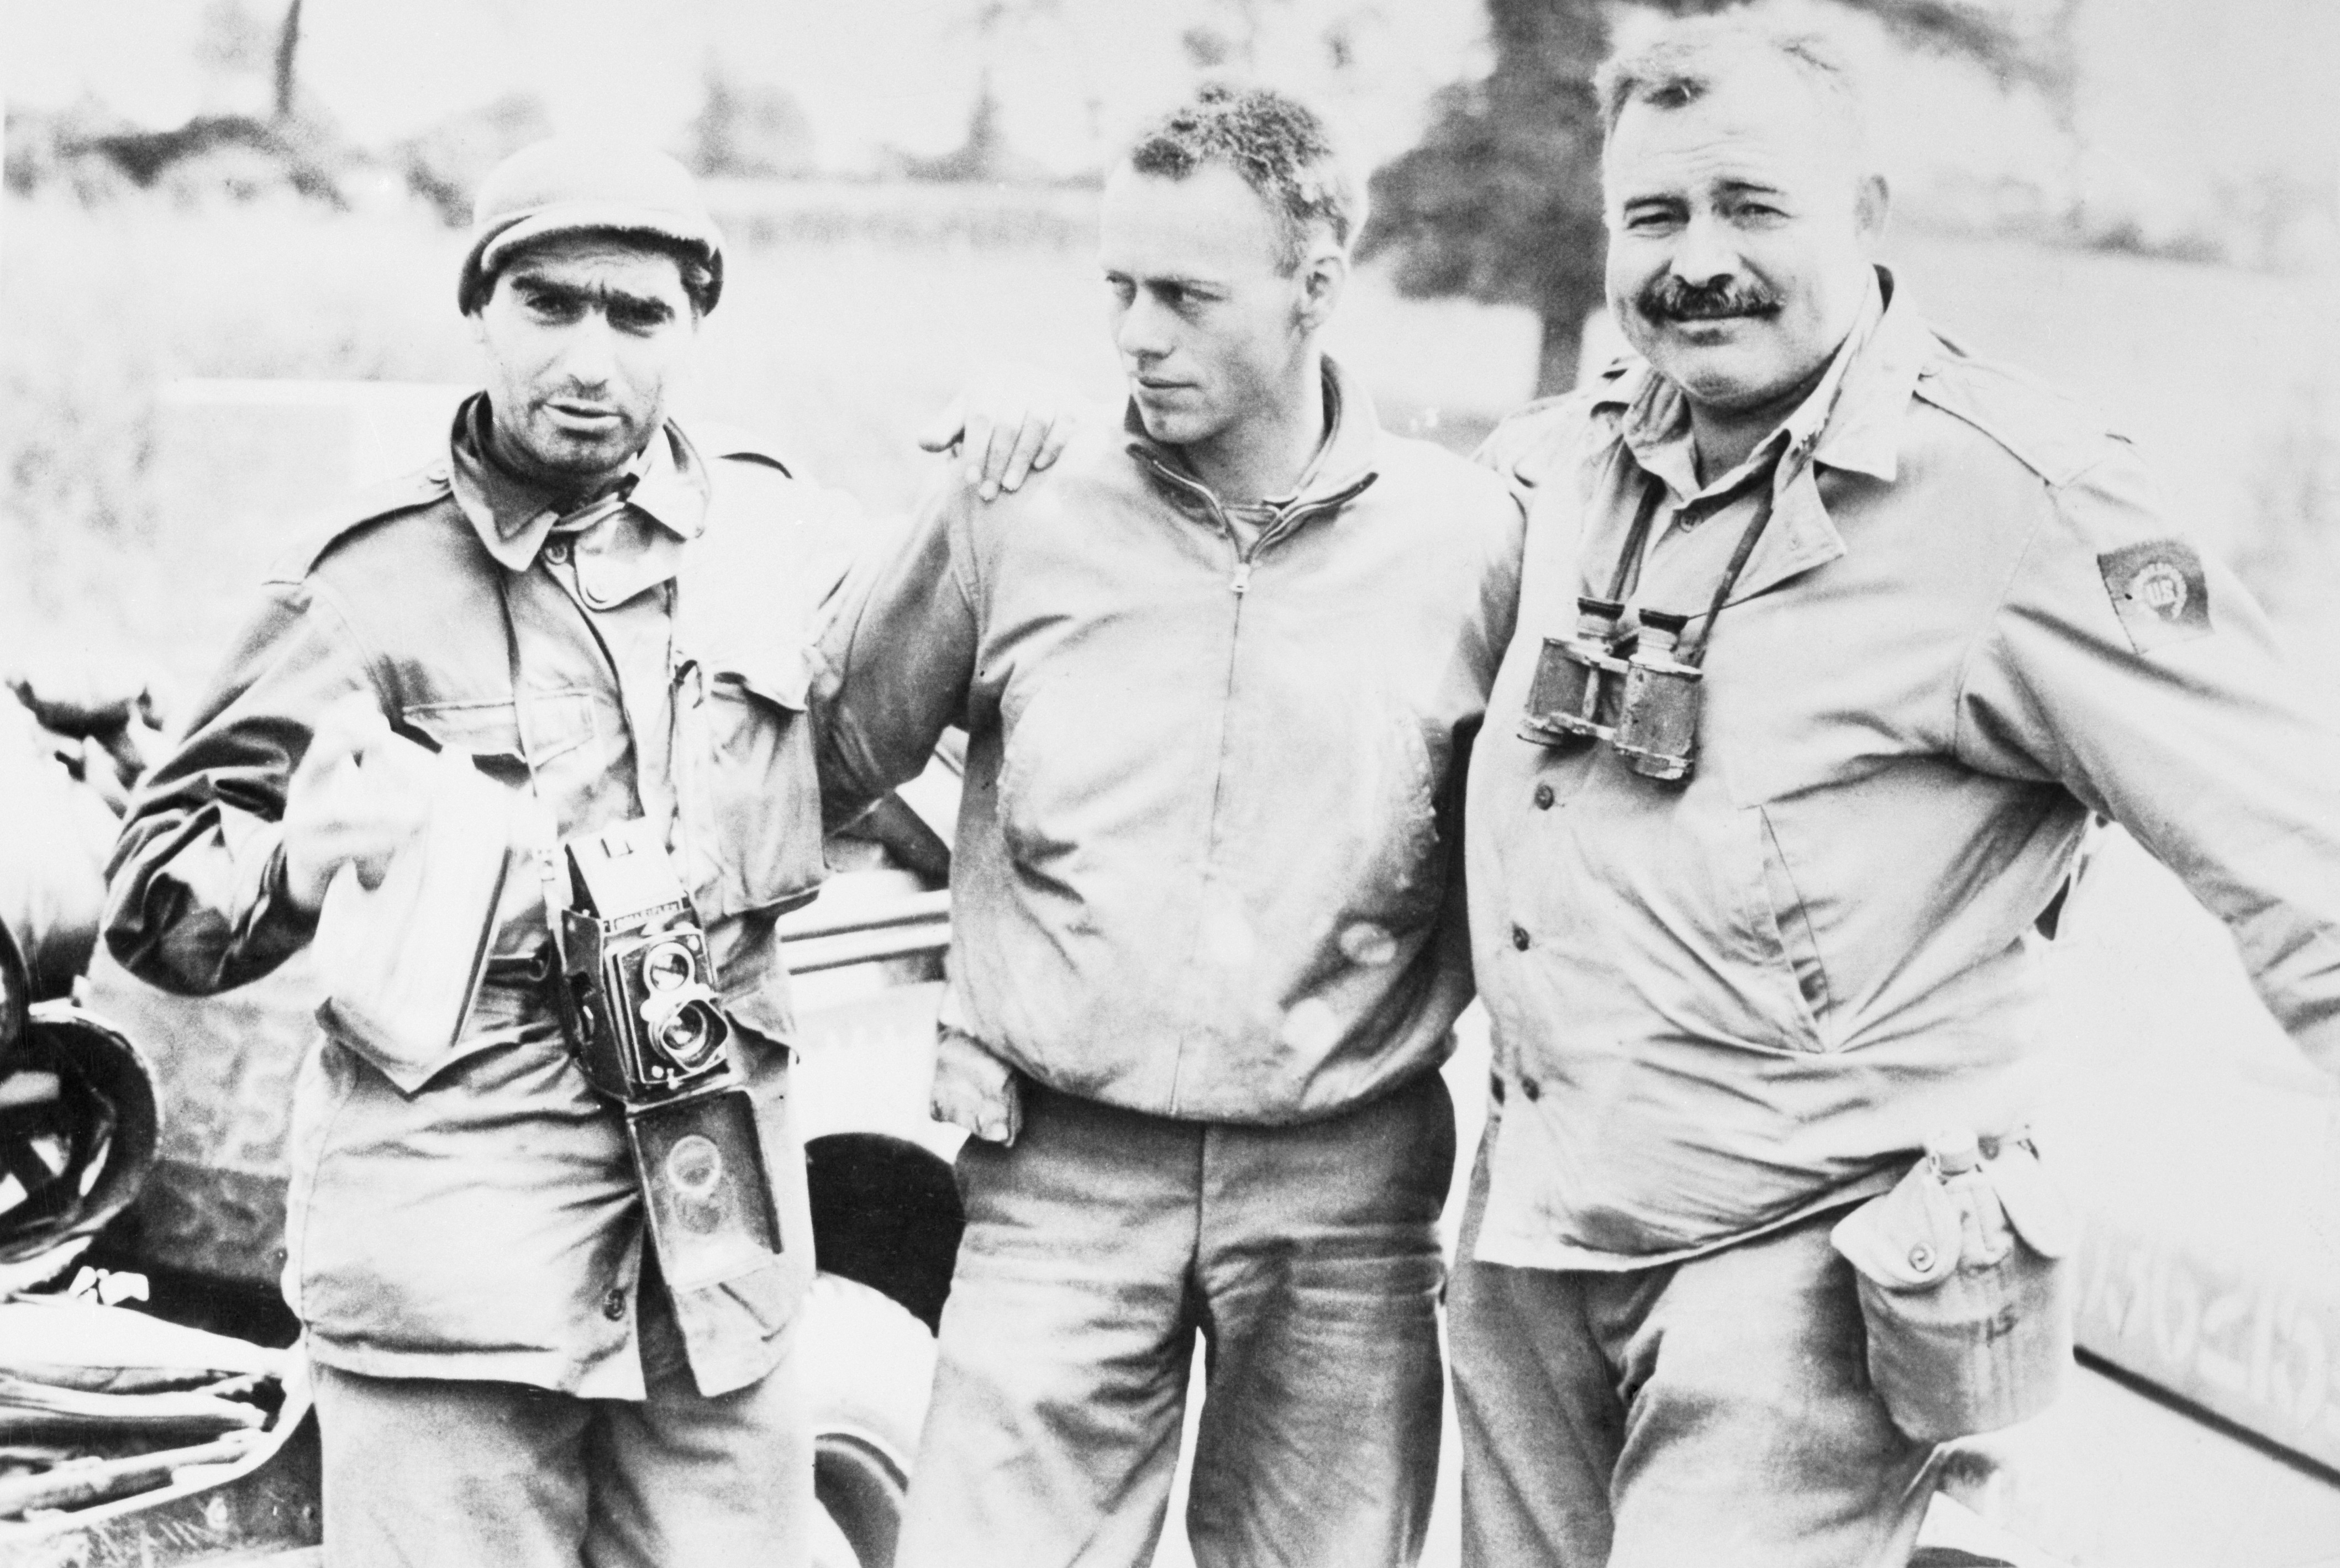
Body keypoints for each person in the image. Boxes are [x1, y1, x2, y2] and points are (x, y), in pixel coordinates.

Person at [102, 138, 1068, 1567]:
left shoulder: (775, 538)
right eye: (550, 305)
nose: (591, 354)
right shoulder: (360, 579)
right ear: (481, 309)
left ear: (691, 329)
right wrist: (295, 866)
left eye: (638, 315)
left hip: (712, 1255)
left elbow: (901, 748)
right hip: (457, 1263)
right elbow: (154, 900)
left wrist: (993, 491)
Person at [1452, 16, 2340, 1566]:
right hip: (1530, 1242)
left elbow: (2299, 860)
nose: (1696, 260)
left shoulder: (2022, 503)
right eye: (1651, 218)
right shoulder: (1556, 472)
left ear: (1863, 213)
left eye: (1750, 207)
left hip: (1806, 1276)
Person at [813, 85, 1524, 1568]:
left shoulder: (1469, 546)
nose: (1136, 334)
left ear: (1314, 288)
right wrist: (939, 507)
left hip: (1344, 1184)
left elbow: (1538, 860)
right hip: (1060, 1177)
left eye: (1187, 295)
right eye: (1118, 289)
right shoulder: (1022, 506)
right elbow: (826, 753)